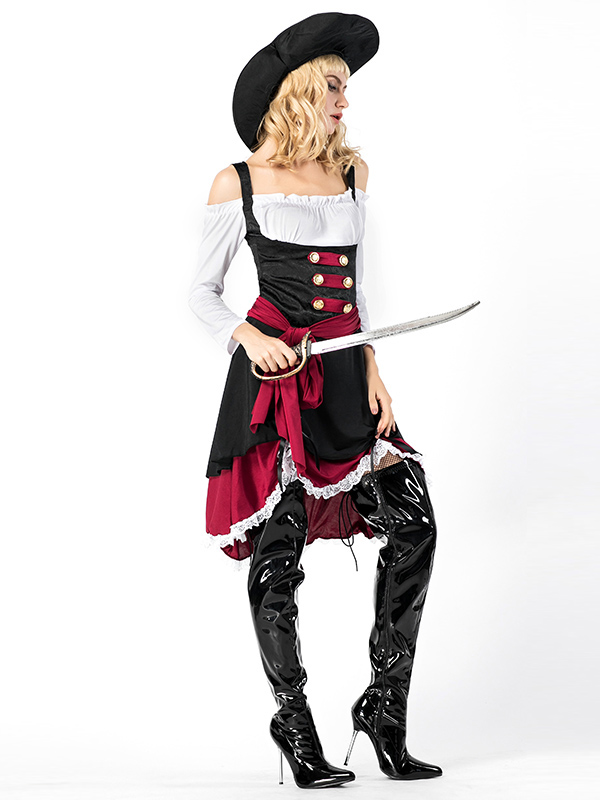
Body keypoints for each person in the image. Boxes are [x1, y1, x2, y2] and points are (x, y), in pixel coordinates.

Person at [189, 12, 443, 789]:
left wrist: (372, 367)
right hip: (275, 386)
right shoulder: (236, 182)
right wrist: (246, 336)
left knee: (416, 524)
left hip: (343, 374)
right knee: (280, 556)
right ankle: (293, 724)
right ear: (300, 90)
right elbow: (200, 294)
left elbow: (356, 294)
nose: (344, 100)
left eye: (345, 86)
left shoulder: (353, 174)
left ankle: (384, 711)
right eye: (334, 85)